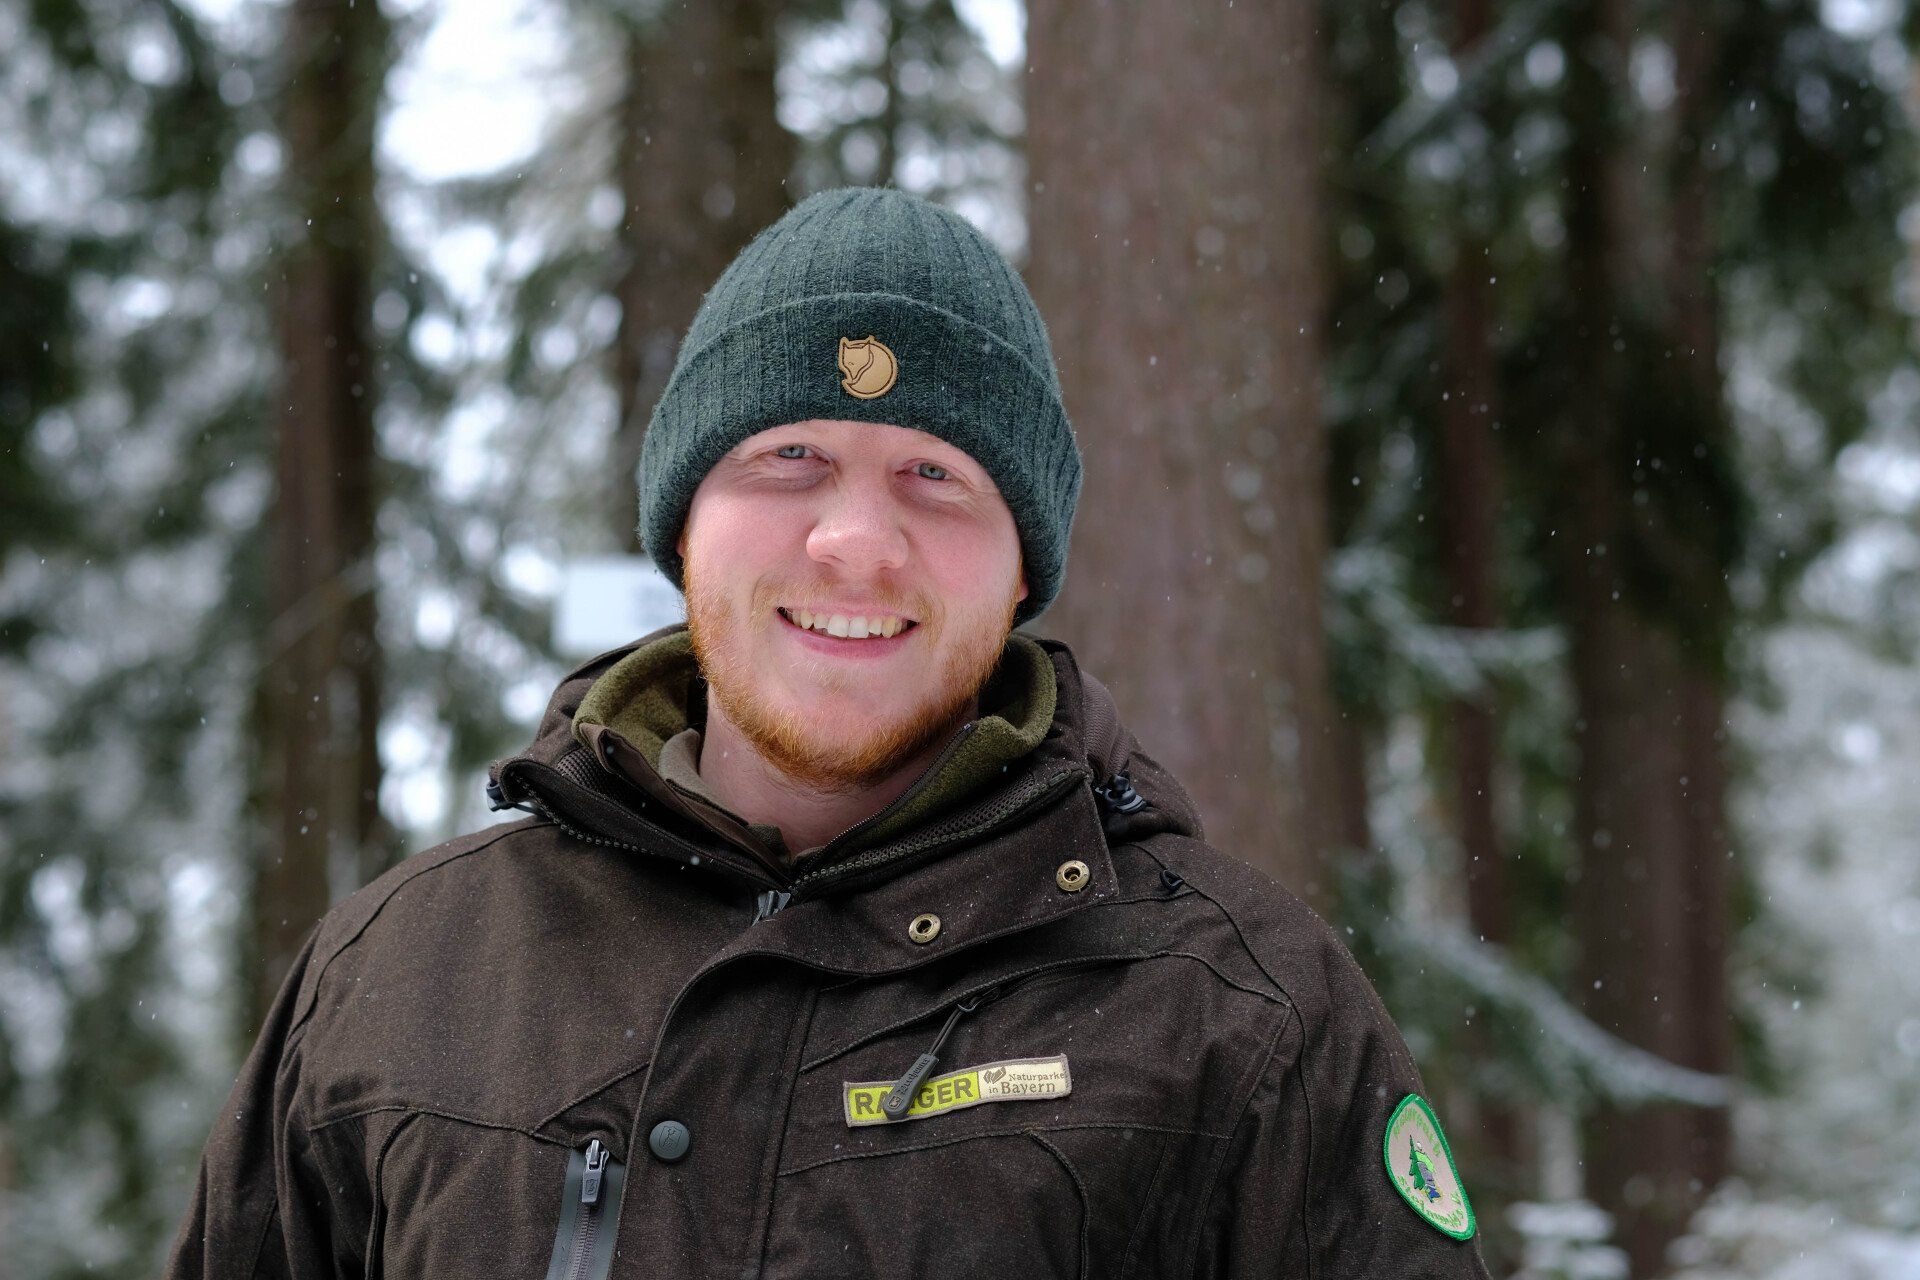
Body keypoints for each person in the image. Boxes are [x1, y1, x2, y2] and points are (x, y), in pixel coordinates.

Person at [166, 186, 1491, 1279]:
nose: (854, 540)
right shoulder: (401, 977)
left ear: (1021, 569)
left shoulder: (1235, 1009)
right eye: (789, 458)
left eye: (935, 476)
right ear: (683, 528)